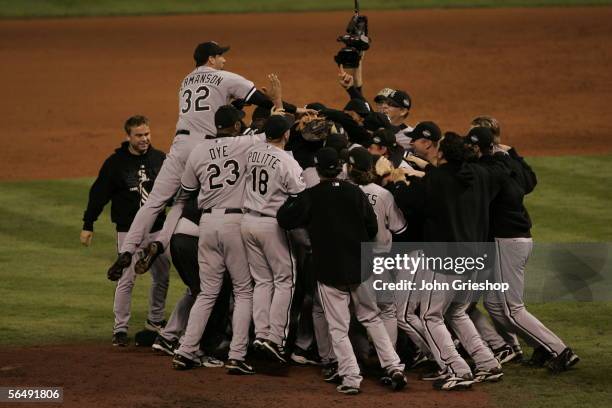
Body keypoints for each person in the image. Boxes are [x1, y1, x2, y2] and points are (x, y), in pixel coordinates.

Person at [106, 42, 293, 278]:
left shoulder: (185, 82)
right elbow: (261, 100)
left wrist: (235, 103)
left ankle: (127, 250)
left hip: (180, 144)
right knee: (183, 201)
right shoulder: (223, 77)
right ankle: (161, 243)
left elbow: (215, 106)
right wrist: (288, 105)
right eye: (221, 56)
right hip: (204, 147)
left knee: (154, 201)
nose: (224, 60)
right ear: (211, 59)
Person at [277, 147, 407, 395]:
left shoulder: (311, 196)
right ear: (341, 168)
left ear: (318, 170)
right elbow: (371, 227)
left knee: (338, 327)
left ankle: (350, 378)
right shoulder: (355, 192)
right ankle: (393, 367)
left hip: (329, 270)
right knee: (372, 317)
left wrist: (296, 200)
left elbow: (285, 219)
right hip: (361, 266)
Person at [389, 133, 503, 390]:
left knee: (430, 316)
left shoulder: (438, 180)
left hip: (446, 259)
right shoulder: (479, 177)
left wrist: (398, 182)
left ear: (442, 154)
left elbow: (411, 202)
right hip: (476, 257)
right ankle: (487, 362)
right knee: (457, 312)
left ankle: (457, 368)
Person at [465, 127, 580, 373]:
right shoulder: (506, 166)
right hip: (516, 240)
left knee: (512, 309)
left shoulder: (489, 173)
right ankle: (541, 346)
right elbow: (528, 181)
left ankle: (561, 351)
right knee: (496, 306)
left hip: (508, 242)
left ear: (477, 148)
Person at [170, 105, 267, 375]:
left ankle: (186, 350)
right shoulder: (245, 142)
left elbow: (188, 190)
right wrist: (277, 100)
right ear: (236, 126)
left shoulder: (198, 150)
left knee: (207, 291)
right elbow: (275, 129)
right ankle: (237, 355)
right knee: (243, 290)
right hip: (235, 223)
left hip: (207, 223)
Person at [81, 115, 170, 346]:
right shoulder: (115, 164)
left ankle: (155, 320)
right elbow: (98, 194)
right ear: (128, 136)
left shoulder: (161, 159)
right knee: (126, 279)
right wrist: (88, 224)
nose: (144, 139)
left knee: (161, 277)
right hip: (128, 231)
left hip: (158, 230)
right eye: (139, 135)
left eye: (147, 134)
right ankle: (120, 329)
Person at [241, 114, 306, 363]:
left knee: (262, 281)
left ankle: (261, 334)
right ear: (286, 135)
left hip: (247, 222)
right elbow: (301, 199)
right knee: (285, 280)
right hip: (270, 225)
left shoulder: (252, 152)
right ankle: (275, 339)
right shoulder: (287, 162)